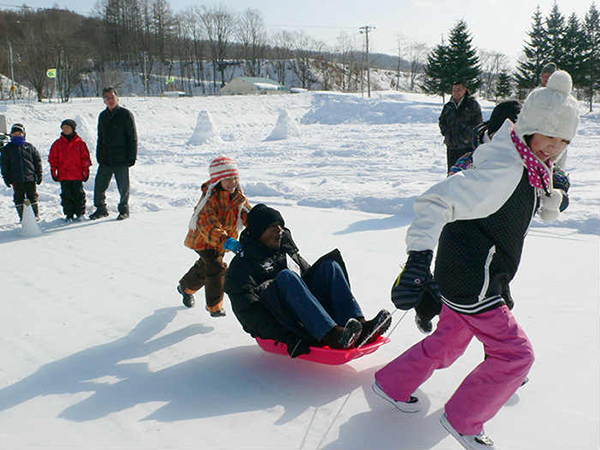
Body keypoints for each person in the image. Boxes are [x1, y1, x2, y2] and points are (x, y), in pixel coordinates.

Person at [372, 70, 579, 450]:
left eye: (563, 140)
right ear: (530, 127)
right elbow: (435, 201)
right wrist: (418, 259)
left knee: (450, 341)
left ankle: (390, 383)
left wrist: (556, 195)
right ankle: (463, 419)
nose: (554, 147)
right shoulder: (504, 168)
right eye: (550, 136)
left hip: (469, 272)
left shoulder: (531, 162)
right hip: (474, 277)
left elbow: (543, 208)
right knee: (516, 356)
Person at [224, 203, 392, 358]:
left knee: (329, 266)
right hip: (288, 326)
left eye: (280, 226)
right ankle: (332, 335)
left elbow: (309, 280)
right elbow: (248, 312)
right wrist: (287, 338)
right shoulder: (242, 266)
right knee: (286, 277)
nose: (279, 230)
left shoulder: (286, 251)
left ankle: (360, 327)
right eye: (272, 227)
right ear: (259, 232)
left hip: (308, 316)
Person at [177, 156, 251, 317]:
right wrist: (227, 241)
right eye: (227, 180)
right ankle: (214, 306)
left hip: (222, 241)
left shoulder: (237, 196)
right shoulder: (209, 200)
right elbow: (209, 226)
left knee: (205, 268)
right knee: (216, 268)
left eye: (234, 178)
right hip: (204, 241)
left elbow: (247, 214)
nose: (232, 183)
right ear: (218, 181)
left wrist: (261, 224)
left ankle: (185, 287)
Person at [89, 87, 137, 221]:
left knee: (123, 186)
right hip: (106, 158)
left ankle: (123, 210)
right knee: (99, 185)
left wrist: (132, 157)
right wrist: (99, 154)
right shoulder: (103, 116)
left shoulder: (125, 114)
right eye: (106, 98)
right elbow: (100, 137)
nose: (109, 100)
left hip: (122, 158)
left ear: (117, 98)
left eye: (111, 97)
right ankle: (101, 209)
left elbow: (132, 137)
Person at [48, 119, 92, 221]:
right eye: (63, 128)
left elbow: (85, 158)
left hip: (77, 175)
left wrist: (86, 170)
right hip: (64, 175)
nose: (65, 130)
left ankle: (80, 213)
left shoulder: (80, 143)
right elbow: (53, 159)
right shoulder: (57, 144)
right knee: (66, 195)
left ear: (73, 129)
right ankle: (69, 214)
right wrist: (53, 170)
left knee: (79, 195)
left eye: (67, 128)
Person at [0, 123, 43, 221]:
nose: (17, 135)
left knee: (32, 196)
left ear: (23, 134)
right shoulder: (7, 149)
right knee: (19, 198)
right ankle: (23, 217)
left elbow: (37, 161)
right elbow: (4, 165)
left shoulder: (29, 147)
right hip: (16, 179)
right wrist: (6, 177)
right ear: (11, 135)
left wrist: (39, 174)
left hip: (30, 178)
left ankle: (35, 215)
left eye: (19, 133)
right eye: (15, 134)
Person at [438, 80, 483, 172]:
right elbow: (442, 121)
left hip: (467, 147)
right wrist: (446, 133)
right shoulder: (448, 106)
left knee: (466, 175)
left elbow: (477, 124)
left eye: (459, 90)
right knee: (452, 173)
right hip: (451, 146)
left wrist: (465, 136)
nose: (456, 92)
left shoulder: (472, 105)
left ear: (464, 90)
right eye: (454, 90)